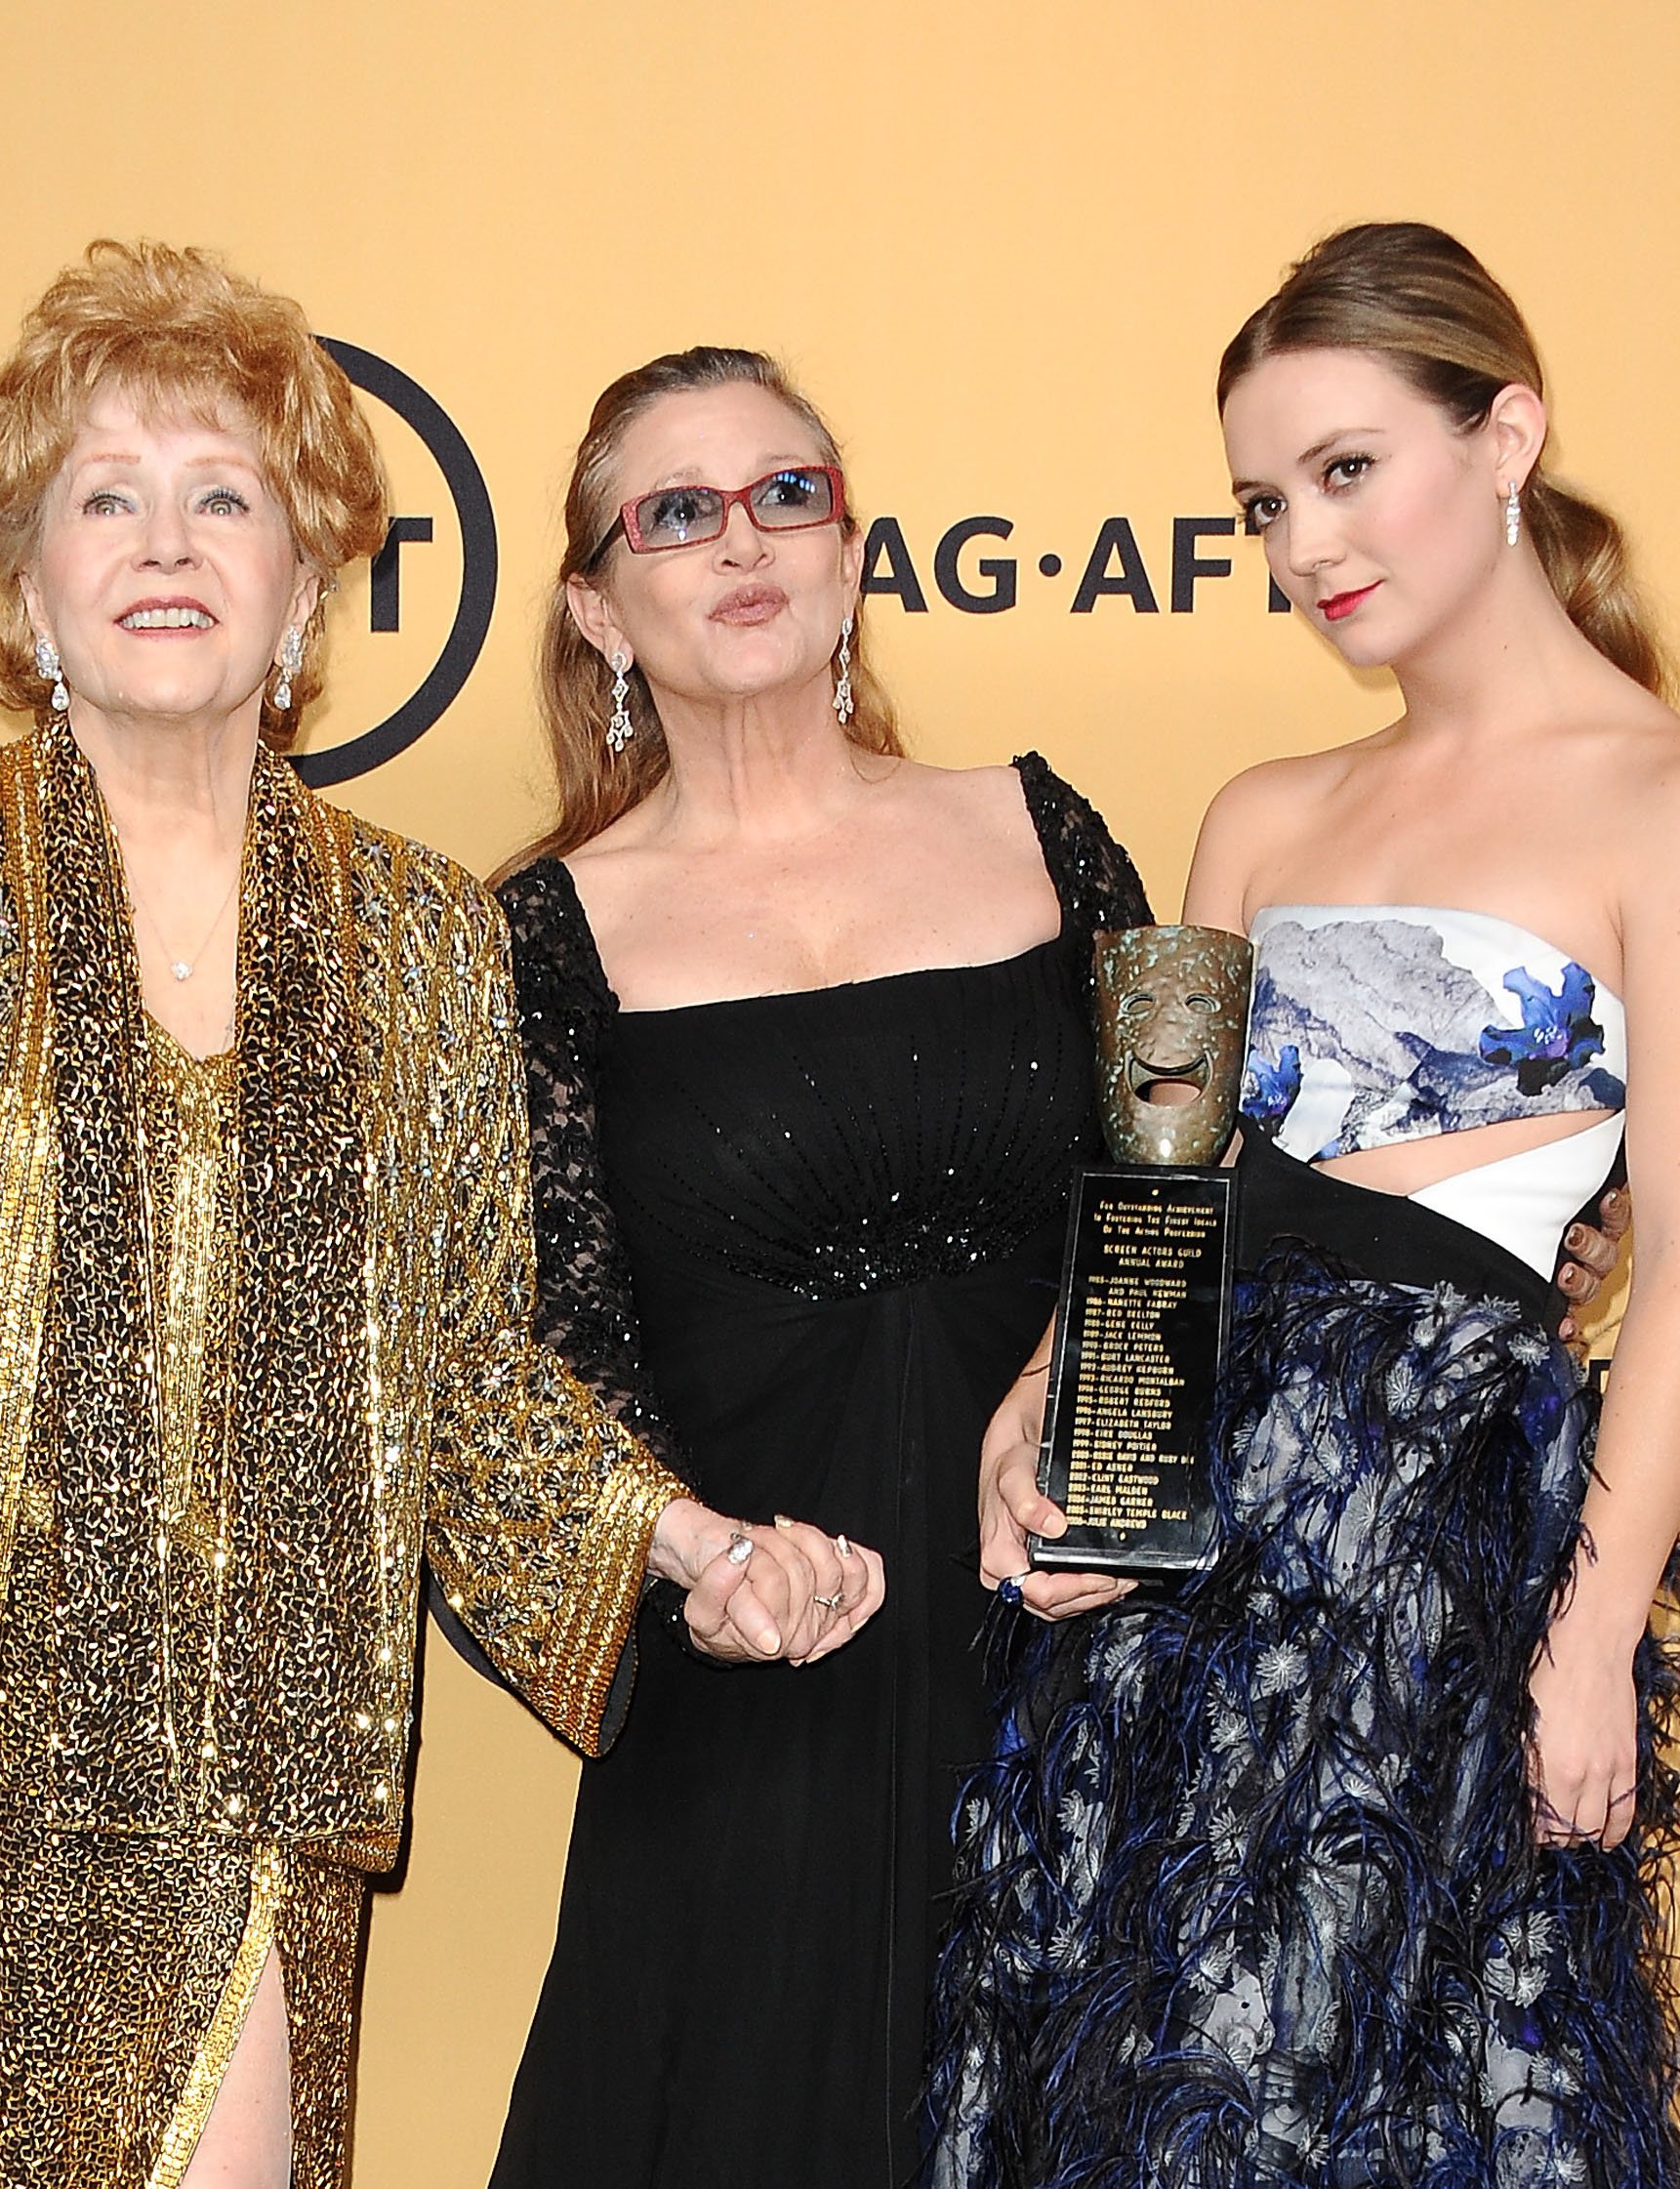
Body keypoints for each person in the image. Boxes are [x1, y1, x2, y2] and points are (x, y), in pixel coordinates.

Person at [0, 241, 868, 2189]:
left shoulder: (421, 932)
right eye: (107, 496)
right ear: (29, 581)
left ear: (307, 582)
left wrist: (687, 1545)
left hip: (251, 1769)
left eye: (222, 496)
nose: (165, 542)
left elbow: (464, 1358)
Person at [936, 222, 1680, 2188]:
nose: (1304, 544)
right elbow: (1168, 1205)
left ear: (1508, 434)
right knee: (1115, 2072)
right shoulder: (1261, 810)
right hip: (1182, 1561)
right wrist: (1046, 1423)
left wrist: (1587, 1645)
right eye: (1261, 501)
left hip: (1420, 1548)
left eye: (1346, 470)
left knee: (1356, 2087)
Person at [471, 346, 1146, 2188]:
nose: (742, 539)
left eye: (789, 492)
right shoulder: (526, 944)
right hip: (761, 1683)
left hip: (1079, 1647)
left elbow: (1173, 1208)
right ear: (599, 606)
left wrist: (1117, 1477)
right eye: (677, 511)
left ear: (854, 555)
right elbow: (499, 1374)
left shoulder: (1041, 829)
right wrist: (680, 1573)